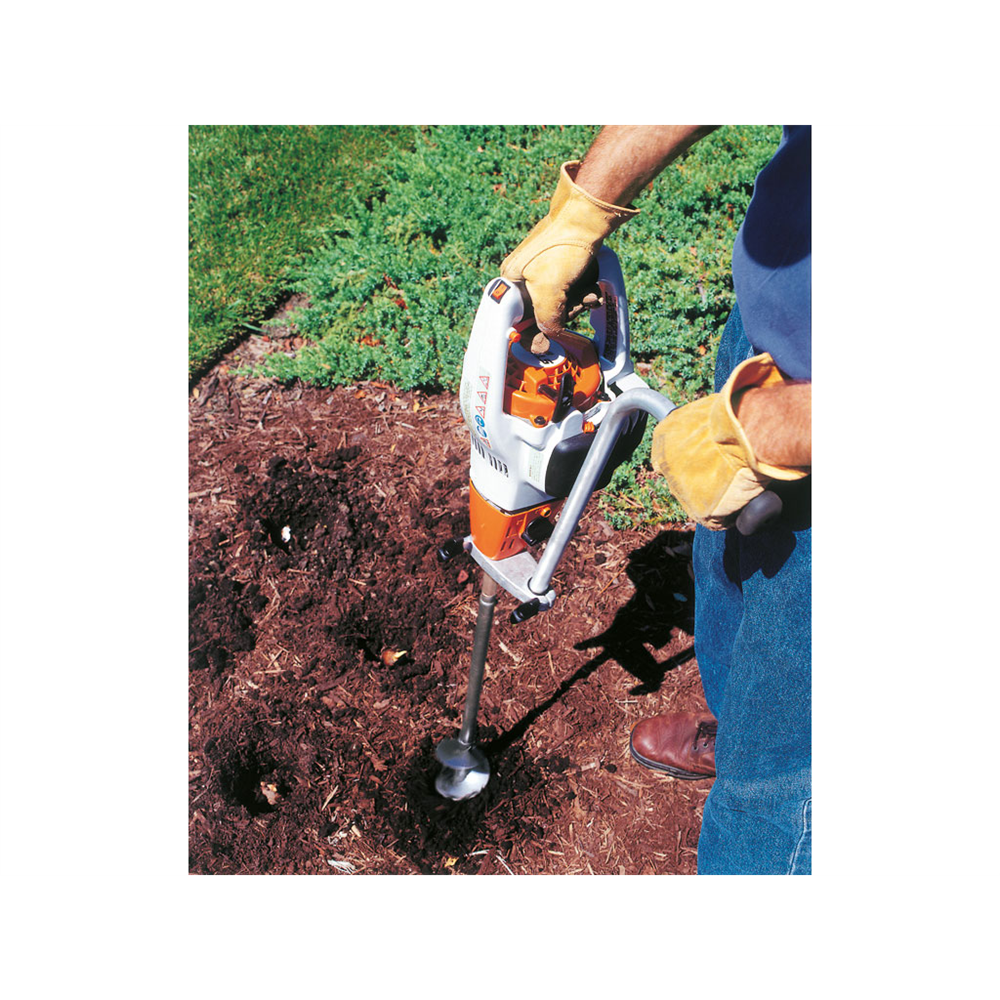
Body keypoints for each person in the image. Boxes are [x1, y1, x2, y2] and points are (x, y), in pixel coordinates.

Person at [500, 124, 812, 876]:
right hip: (772, 339)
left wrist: (779, 423)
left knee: (784, 780)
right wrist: (584, 207)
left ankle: (769, 785)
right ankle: (737, 727)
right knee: (724, 578)